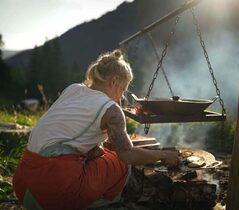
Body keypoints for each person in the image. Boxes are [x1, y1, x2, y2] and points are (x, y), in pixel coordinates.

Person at [13, 49, 179, 210]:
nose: (122, 96)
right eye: (123, 89)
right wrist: (163, 155)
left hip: (23, 185)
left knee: (102, 154)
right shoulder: (111, 109)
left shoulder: (73, 89)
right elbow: (127, 155)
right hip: (55, 192)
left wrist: (93, 148)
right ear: (114, 81)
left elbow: (65, 130)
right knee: (120, 161)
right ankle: (98, 202)